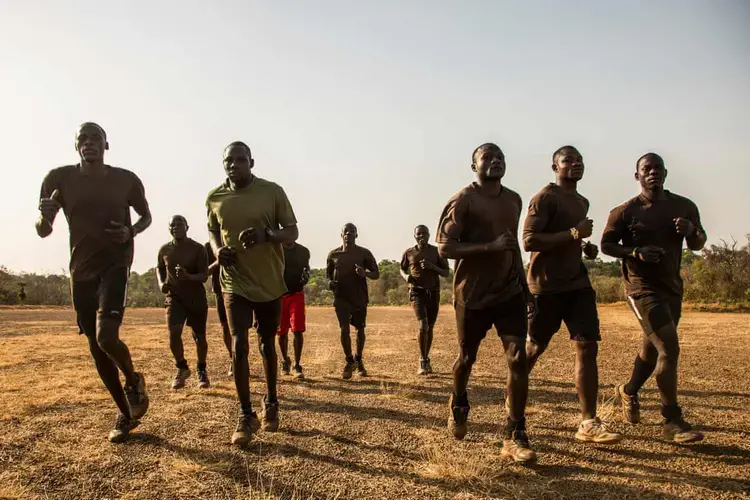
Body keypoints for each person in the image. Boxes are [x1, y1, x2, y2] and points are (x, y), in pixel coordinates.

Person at [35, 122, 150, 443]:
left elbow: (146, 216)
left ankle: (133, 379)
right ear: (76, 147)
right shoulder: (58, 179)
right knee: (96, 350)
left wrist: (131, 232)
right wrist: (44, 217)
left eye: (95, 138)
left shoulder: (125, 179)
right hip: (80, 273)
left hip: (115, 265)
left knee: (106, 337)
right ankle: (126, 415)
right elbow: (43, 230)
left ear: (106, 144)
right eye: (82, 139)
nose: (89, 143)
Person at [436, 142, 537, 463]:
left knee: (518, 358)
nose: (495, 162)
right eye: (488, 158)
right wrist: (488, 246)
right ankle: (458, 401)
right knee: (466, 358)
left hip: (508, 292)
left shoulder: (513, 199)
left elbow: (512, 248)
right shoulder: (463, 201)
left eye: (500, 158)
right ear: (473, 166)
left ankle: (515, 432)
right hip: (472, 295)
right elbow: (445, 248)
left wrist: (525, 287)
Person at [602, 152, 707, 444]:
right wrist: (634, 252)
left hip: (672, 288)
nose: (653, 173)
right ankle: (672, 420)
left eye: (657, 168)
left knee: (652, 350)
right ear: (637, 176)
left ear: (665, 173)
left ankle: (628, 391)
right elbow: (606, 245)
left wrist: (693, 230)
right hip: (640, 288)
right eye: (646, 169)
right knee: (668, 348)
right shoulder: (624, 211)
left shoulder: (684, 206)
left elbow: (698, 244)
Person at [522, 146, 622, 444]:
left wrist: (584, 248)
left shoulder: (581, 201)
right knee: (533, 349)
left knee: (587, 346)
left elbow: (571, 239)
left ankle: (588, 422)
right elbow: (529, 241)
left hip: (577, 285)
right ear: (555, 166)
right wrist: (575, 235)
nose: (576, 164)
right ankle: (513, 399)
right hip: (545, 287)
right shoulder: (545, 198)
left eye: (579, 160)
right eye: (568, 161)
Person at [206, 141, 299, 446]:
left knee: (266, 344)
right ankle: (246, 414)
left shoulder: (272, 191)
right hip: (233, 280)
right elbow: (212, 231)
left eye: (240, 160)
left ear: (251, 162)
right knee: (238, 345)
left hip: (269, 281)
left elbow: (292, 232)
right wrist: (220, 251)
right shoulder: (215, 197)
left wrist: (266, 235)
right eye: (229, 161)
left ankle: (271, 401)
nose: (234, 165)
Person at [157, 215, 210, 390]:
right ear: (169, 228)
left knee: (199, 337)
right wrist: (161, 283)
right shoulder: (164, 249)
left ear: (187, 227)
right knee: (173, 333)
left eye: (180, 224)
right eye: (173, 224)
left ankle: (201, 370)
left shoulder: (197, 249)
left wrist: (188, 276)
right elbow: (160, 268)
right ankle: (181, 367)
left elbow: (204, 275)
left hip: (195, 297)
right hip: (174, 297)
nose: (176, 227)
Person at [326, 223, 380, 379]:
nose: (348, 234)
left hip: (359, 298)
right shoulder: (333, 255)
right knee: (344, 329)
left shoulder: (364, 254)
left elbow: (376, 273)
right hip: (341, 298)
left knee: (360, 329)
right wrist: (330, 284)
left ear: (356, 235)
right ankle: (349, 361)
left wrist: (365, 273)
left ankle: (359, 359)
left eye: (352, 232)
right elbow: (328, 276)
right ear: (341, 234)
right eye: (346, 231)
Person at [400, 225, 450, 375]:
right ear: (414, 236)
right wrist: (406, 276)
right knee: (423, 325)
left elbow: (446, 272)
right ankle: (422, 361)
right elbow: (402, 268)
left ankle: (426, 358)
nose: (422, 236)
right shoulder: (409, 252)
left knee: (430, 327)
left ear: (429, 235)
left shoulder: (436, 252)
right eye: (419, 234)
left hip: (433, 293)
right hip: (416, 293)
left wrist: (432, 267)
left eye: (424, 234)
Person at [277, 241, 311, 379]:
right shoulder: (276, 249)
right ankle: (285, 361)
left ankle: (297, 365)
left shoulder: (303, 251)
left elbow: (307, 268)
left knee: (297, 330)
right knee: (281, 331)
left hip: (296, 293)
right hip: (279, 294)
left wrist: (307, 274)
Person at [206, 242, 233, 376]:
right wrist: (218, 261)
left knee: (240, 328)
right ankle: (232, 358)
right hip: (220, 291)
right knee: (225, 326)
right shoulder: (208, 246)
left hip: (239, 290)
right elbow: (205, 272)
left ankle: (240, 357)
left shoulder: (236, 239)